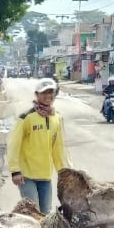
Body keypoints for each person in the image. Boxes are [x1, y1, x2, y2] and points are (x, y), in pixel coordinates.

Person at [7, 78, 70, 214]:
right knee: (33, 212)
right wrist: (15, 170)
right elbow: (13, 145)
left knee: (46, 213)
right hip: (27, 175)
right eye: (44, 92)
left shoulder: (56, 118)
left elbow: (58, 148)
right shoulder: (26, 117)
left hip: (45, 176)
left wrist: (63, 171)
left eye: (51, 92)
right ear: (37, 95)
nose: (48, 96)